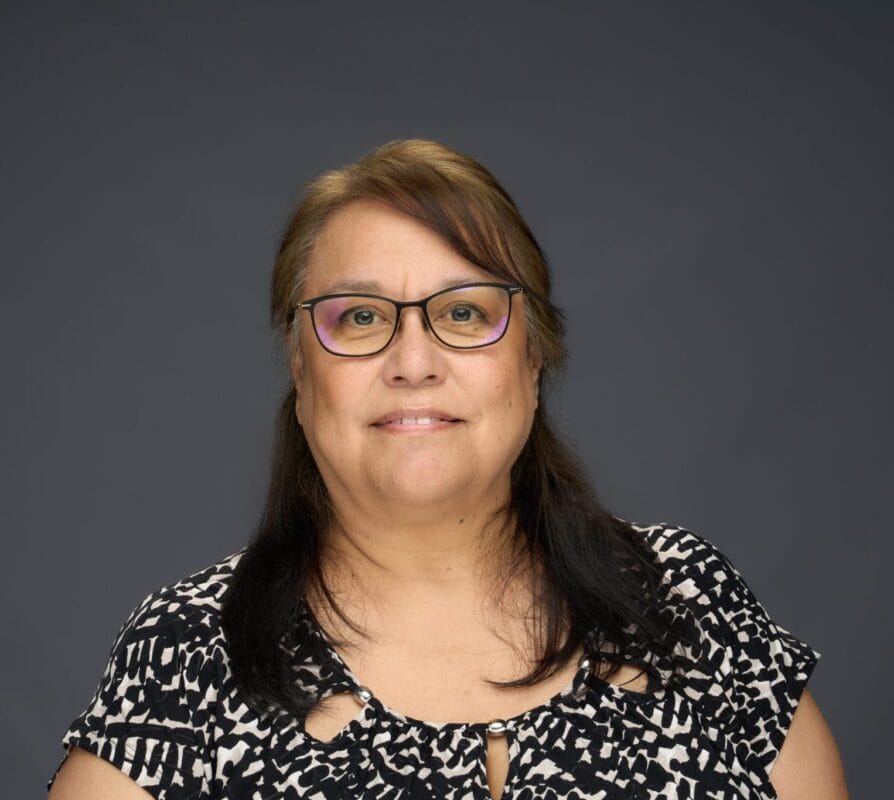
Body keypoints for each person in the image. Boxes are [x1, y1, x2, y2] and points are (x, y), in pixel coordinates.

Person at [47, 138, 849, 799]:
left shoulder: (688, 607)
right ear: (300, 372)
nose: (413, 360)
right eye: (359, 317)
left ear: (532, 361)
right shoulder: (189, 653)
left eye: (464, 312)